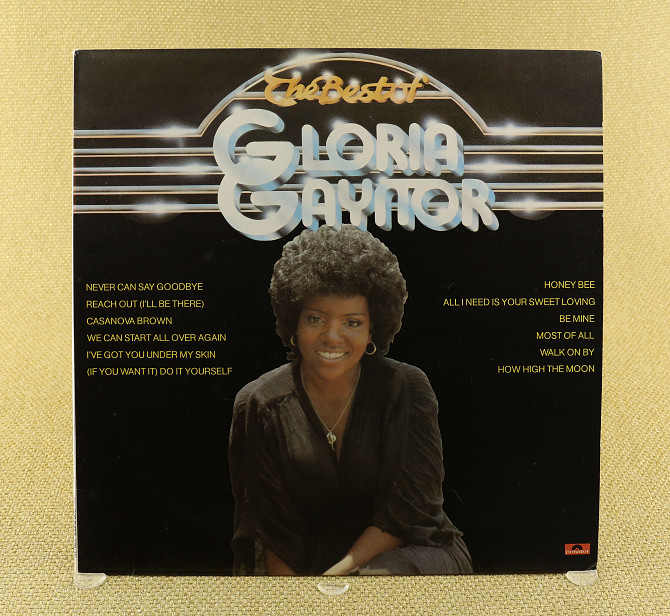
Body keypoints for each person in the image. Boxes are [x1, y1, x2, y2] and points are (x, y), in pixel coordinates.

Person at [229, 225, 472, 575]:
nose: (332, 336)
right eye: (315, 318)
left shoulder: (406, 387)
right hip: (312, 564)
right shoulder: (260, 403)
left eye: (352, 322)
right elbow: (271, 532)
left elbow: (407, 512)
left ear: (373, 328)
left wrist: (337, 580)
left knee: (377, 582)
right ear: (294, 322)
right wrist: (295, 598)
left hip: (411, 553)